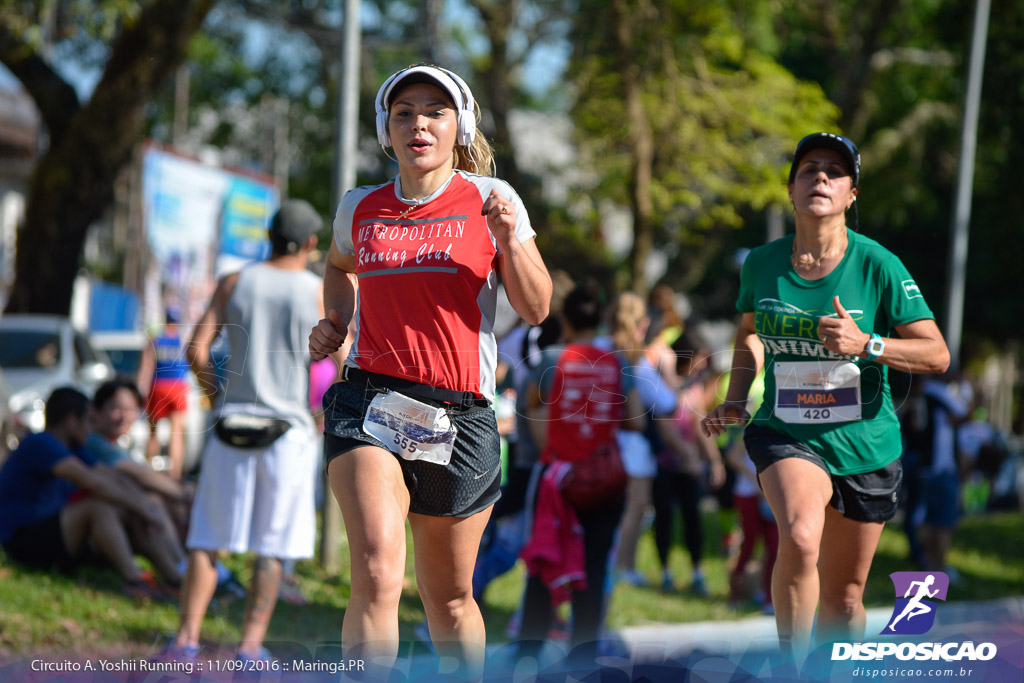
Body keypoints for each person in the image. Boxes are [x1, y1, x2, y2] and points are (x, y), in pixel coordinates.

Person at [308, 64, 552, 678]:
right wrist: (336, 320)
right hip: (370, 402)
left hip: (461, 414)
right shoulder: (360, 208)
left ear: (459, 125)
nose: (419, 123)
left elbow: (537, 306)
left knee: (448, 600)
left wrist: (511, 241)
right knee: (376, 570)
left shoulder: (491, 199)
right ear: (386, 130)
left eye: (435, 112)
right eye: (405, 113)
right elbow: (339, 267)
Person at [701, 133, 950, 661]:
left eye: (835, 172)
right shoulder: (762, 264)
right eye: (809, 169)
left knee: (845, 598)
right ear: (790, 189)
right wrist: (737, 395)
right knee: (799, 534)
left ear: (851, 194)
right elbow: (748, 331)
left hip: (866, 444)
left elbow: (937, 354)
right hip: (786, 430)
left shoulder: (878, 264)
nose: (821, 177)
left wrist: (867, 343)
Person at [168, 199, 326, 663]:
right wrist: (317, 417)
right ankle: (249, 647)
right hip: (289, 433)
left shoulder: (234, 281)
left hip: (231, 426)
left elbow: (197, 350)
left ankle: (185, 642)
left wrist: (217, 397)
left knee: (207, 539)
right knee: (272, 548)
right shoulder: (317, 291)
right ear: (312, 244)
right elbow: (341, 364)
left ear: (269, 237)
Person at [516, 283, 645, 665]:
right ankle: (583, 654)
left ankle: (529, 649)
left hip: (557, 477)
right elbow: (635, 417)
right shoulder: (618, 362)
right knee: (594, 560)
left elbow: (531, 408)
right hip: (604, 479)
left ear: (566, 320)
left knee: (544, 555)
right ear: (601, 319)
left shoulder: (551, 359)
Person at [0, 387, 170, 599]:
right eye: (88, 421)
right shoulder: (41, 444)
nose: (91, 429)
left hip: (58, 535)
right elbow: (94, 483)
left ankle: (176, 578)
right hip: (24, 541)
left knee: (127, 511)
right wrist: (143, 509)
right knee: (98, 507)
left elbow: (111, 477)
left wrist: (144, 506)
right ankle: (135, 580)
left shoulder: (75, 449)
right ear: (71, 421)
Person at [652, 329, 725, 594]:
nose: (705, 364)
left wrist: (715, 460)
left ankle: (697, 572)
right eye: (701, 357)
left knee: (693, 519)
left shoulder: (694, 387)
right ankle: (665, 572)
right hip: (664, 464)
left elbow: (698, 424)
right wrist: (688, 455)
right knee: (665, 519)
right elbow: (663, 425)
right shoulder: (662, 383)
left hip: (689, 465)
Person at [137, 305, 190, 478]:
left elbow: (146, 367)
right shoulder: (183, 339)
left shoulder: (156, 339)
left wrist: (140, 390)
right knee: (177, 433)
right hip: (178, 387)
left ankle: (148, 473)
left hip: (158, 386)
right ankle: (175, 475)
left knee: (153, 431)